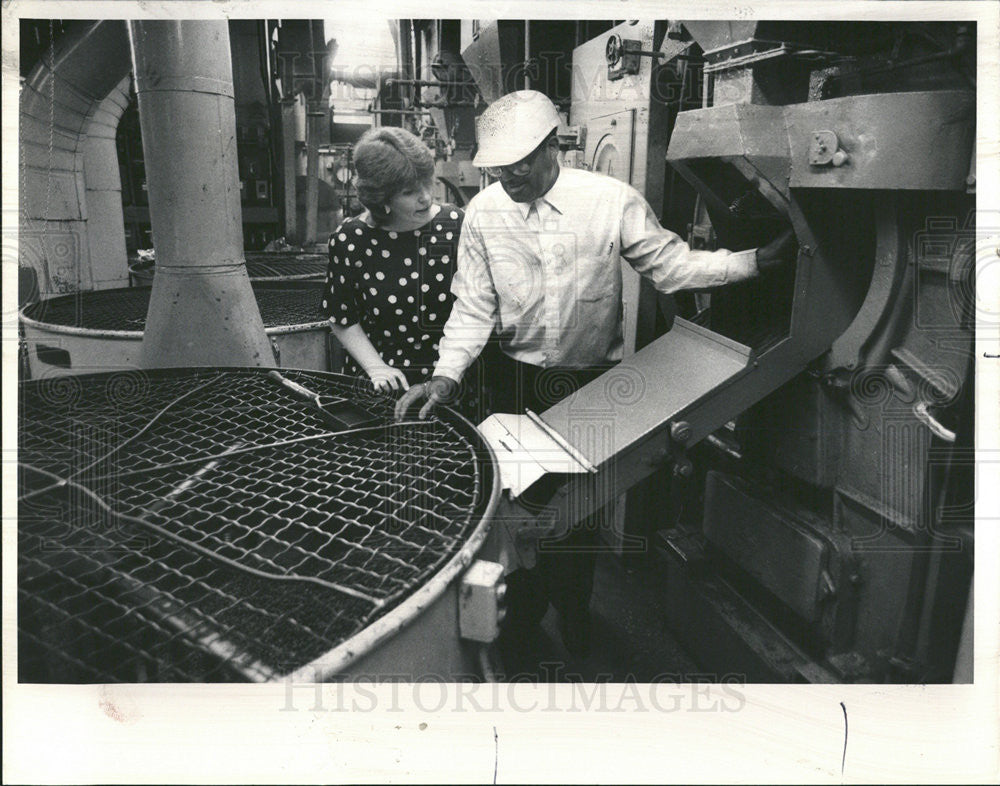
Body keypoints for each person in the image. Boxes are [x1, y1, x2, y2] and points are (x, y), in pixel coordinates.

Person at [394, 90, 798, 662]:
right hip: (513, 381)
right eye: (499, 167)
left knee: (579, 516)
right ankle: (521, 626)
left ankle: (576, 619)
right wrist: (446, 377)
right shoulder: (484, 214)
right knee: (514, 511)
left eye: (522, 163)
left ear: (553, 147)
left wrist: (754, 263)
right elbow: (473, 306)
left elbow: (673, 267)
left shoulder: (611, 201)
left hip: (590, 382)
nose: (509, 175)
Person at [323, 126, 473, 404]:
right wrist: (376, 367)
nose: (426, 197)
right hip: (382, 381)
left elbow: (477, 306)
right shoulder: (351, 239)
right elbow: (342, 316)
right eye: (409, 192)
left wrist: (448, 373)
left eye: (427, 183)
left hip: (450, 376)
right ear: (381, 199)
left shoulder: (455, 225)